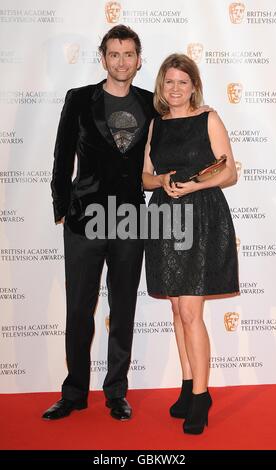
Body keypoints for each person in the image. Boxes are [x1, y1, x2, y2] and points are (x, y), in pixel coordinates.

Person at [42, 24, 155, 421]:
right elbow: (62, 157)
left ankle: (116, 392)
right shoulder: (79, 100)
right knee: (79, 309)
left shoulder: (151, 103)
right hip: (85, 219)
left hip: (129, 220)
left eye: (128, 54)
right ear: (103, 57)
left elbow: (173, 141)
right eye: (114, 53)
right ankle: (73, 392)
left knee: (123, 308)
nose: (121, 61)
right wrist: (62, 207)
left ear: (138, 60)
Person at [142, 53, 239, 434]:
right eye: (169, 82)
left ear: (194, 85)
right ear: (161, 87)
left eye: (183, 82)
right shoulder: (156, 125)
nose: (176, 88)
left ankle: (201, 397)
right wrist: (163, 181)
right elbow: (145, 177)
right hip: (165, 218)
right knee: (176, 308)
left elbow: (228, 170)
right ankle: (186, 386)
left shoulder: (209, 118)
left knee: (190, 313)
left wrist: (195, 185)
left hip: (202, 217)